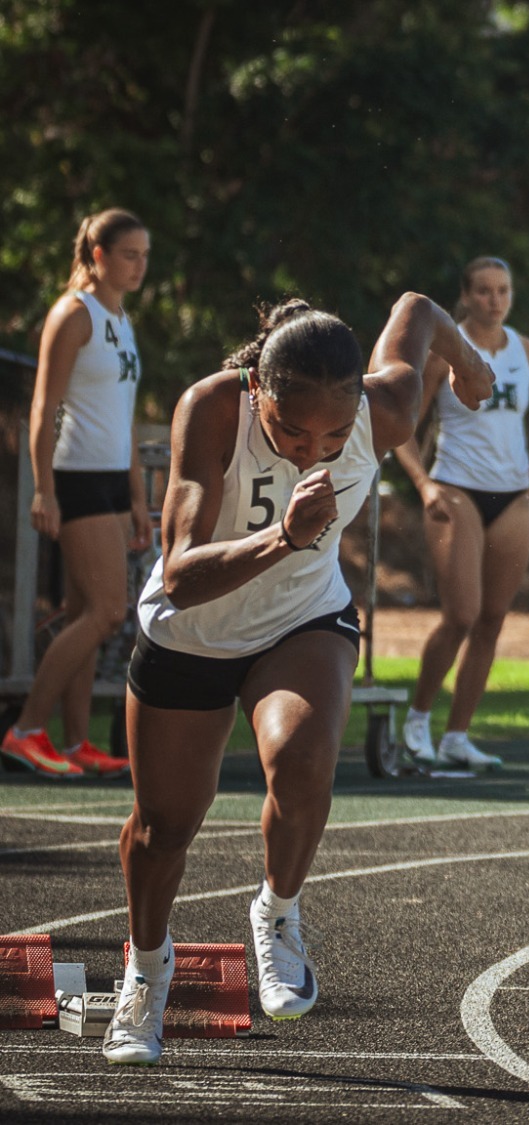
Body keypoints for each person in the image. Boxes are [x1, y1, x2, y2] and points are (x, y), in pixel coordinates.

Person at [102, 294, 492, 1065]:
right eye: (291, 433)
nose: (315, 452)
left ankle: (278, 912)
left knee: (305, 759)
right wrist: (284, 536)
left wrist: (471, 364)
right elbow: (179, 574)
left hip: (302, 620)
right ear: (258, 391)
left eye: (335, 437)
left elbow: (416, 312)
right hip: (192, 630)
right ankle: (146, 970)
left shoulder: (386, 409)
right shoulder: (213, 409)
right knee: (163, 827)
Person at [392, 257, 529, 771]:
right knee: (461, 616)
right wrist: (423, 484)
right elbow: (402, 427)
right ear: (466, 296)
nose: (495, 300)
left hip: (513, 494)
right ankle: (417, 720)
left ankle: (457, 735)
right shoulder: (444, 354)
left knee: (492, 619)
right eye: (485, 291)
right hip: (456, 489)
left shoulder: (527, 352)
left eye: (503, 291)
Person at [2, 209, 154, 780]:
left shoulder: (121, 317)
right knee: (108, 612)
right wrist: (43, 489)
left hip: (112, 480)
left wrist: (136, 497)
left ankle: (75, 742)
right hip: (76, 478)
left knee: (88, 612)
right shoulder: (73, 314)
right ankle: (24, 731)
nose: (139, 266)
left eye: (144, 256)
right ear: (98, 256)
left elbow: (125, 416)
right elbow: (43, 407)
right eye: (129, 255)